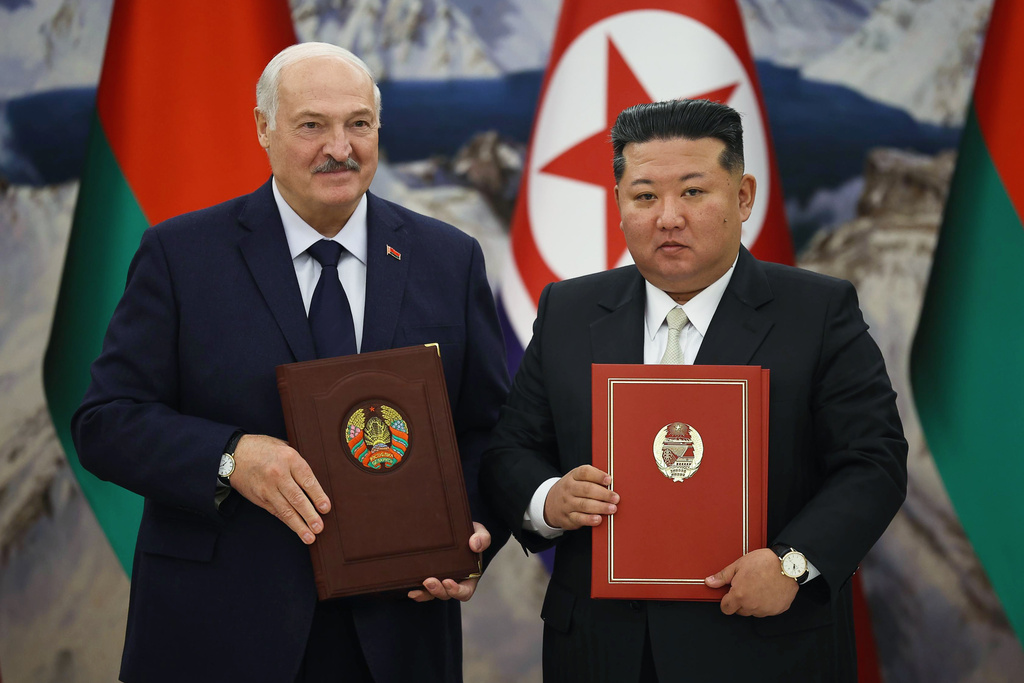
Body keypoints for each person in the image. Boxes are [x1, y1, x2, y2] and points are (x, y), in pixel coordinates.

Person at [72, 42, 509, 683]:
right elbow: (106, 422)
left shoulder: (449, 257)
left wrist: (471, 531)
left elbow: (487, 427)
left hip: (396, 633)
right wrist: (229, 457)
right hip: (220, 630)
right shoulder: (180, 256)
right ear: (263, 129)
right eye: (312, 125)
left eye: (358, 123)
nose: (341, 146)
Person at [480, 98, 908, 682]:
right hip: (602, 651)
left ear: (744, 196)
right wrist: (548, 499)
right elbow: (511, 449)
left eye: (693, 192)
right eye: (645, 196)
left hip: (765, 648)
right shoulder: (569, 310)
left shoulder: (817, 311)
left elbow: (872, 463)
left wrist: (792, 564)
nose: (668, 217)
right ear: (621, 205)